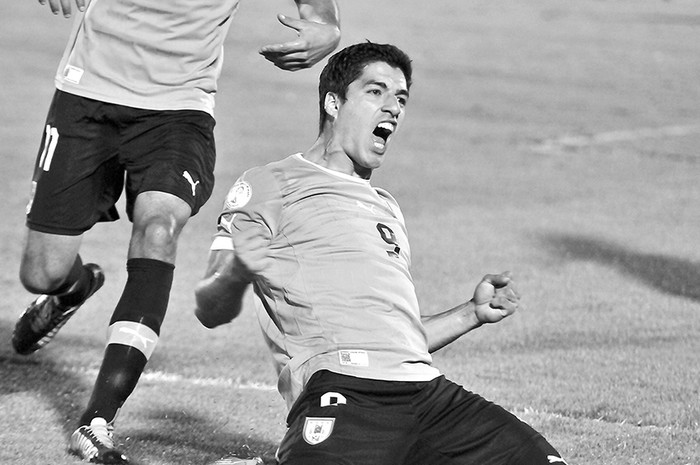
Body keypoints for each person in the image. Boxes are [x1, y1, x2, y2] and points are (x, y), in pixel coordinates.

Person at [194, 42, 568, 465]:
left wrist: (471, 313)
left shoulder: (386, 207)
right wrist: (240, 268)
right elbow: (209, 307)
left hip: (429, 396)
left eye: (401, 97)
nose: (393, 107)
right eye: (376, 92)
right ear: (334, 102)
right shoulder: (270, 184)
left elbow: (399, 344)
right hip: (345, 389)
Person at [12, 0, 340, 463]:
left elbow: (317, 8)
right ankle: (72, 288)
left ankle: (97, 420)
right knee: (42, 272)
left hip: (178, 110)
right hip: (87, 95)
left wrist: (326, 24)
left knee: (160, 228)